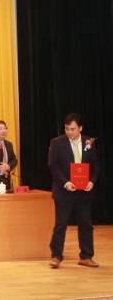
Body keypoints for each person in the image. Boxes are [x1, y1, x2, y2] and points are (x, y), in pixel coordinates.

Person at [48, 113, 100, 269]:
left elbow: (96, 165)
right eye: (67, 129)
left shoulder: (89, 142)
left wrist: (91, 181)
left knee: (86, 225)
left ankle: (86, 256)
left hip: (84, 191)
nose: (69, 132)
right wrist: (66, 183)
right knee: (61, 225)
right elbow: (53, 165)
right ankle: (56, 256)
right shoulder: (57, 142)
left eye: (72, 129)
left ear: (80, 128)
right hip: (64, 190)